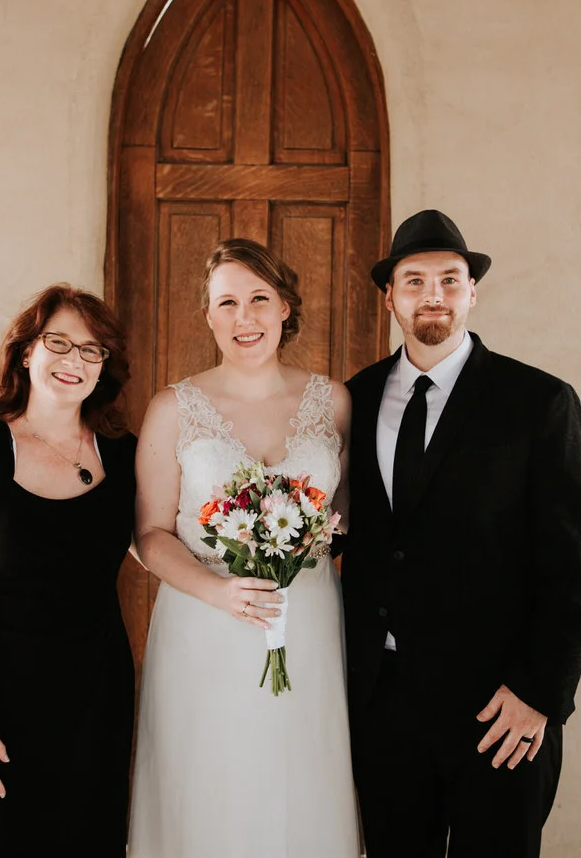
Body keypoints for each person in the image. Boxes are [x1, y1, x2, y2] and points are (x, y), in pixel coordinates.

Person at [343, 209, 581, 858]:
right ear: (390, 298)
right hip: (385, 704)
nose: (433, 295)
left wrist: (540, 692)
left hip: (499, 705)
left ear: (472, 293)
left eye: (450, 280)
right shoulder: (355, 399)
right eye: (415, 281)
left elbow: (572, 564)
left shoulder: (540, 402)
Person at [128, 240, 358, 857]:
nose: (244, 317)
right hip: (204, 624)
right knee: (211, 785)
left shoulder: (334, 403)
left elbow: (343, 519)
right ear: (208, 315)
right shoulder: (174, 408)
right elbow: (149, 534)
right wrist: (220, 591)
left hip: (307, 621)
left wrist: (303, 542)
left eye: (259, 298)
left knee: (301, 781)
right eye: (226, 302)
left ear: (285, 306)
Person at [0, 284, 137, 857]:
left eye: (91, 350)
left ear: (104, 365)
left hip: (96, 699)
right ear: (26, 352)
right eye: (58, 342)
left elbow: (156, 545)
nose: (75, 360)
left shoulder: (124, 455)